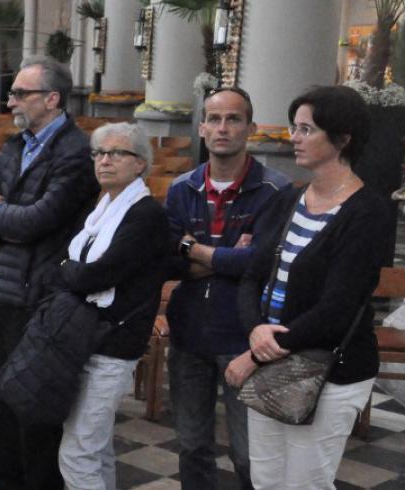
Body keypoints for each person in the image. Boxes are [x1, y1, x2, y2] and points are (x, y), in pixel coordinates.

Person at [229, 86, 392, 489]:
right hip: (273, 360)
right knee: (266, 480)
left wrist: (255, 354)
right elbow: (253, 274)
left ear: (342, 138)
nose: (294, 138)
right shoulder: (290, 199)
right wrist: (255, 329)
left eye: (307, 130)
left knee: (305, 484)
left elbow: (337, 307)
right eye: (294, 128)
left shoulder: (367, 212)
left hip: (330, 368)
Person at [0, 55, 99, 490]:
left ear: (52, 98)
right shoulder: (14, 146)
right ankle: (2, 482)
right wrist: (4, 215)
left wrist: (0, 215)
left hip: (38, 298)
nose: (11, 101)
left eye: (20, 93)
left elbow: (41, 220)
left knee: (32, 404)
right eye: (12, 93)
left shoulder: (76, 153)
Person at [164, 87, 288, 490]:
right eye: (214, 119)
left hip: (244, 337)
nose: (223, 128)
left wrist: (193, 248)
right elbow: (167, 259)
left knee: (250, 455)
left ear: (250, 127)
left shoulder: (276, 191)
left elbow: (261, 263)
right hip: (189, 333)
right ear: (201, 128)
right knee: (191, 446)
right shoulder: (181, 189)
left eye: (233, 119)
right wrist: (225, 260)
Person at [55, 122, 169, 489]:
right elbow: (82, 268)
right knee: (96, 446)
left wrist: (67, 270)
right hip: (87, 336)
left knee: (77, 453)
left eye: (117, 153)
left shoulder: (144, 214)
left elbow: (98, 275)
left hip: (114, 344)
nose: (105, 160)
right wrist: (73, 270)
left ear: (140, 164)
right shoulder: (102, 210)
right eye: (99, 153)